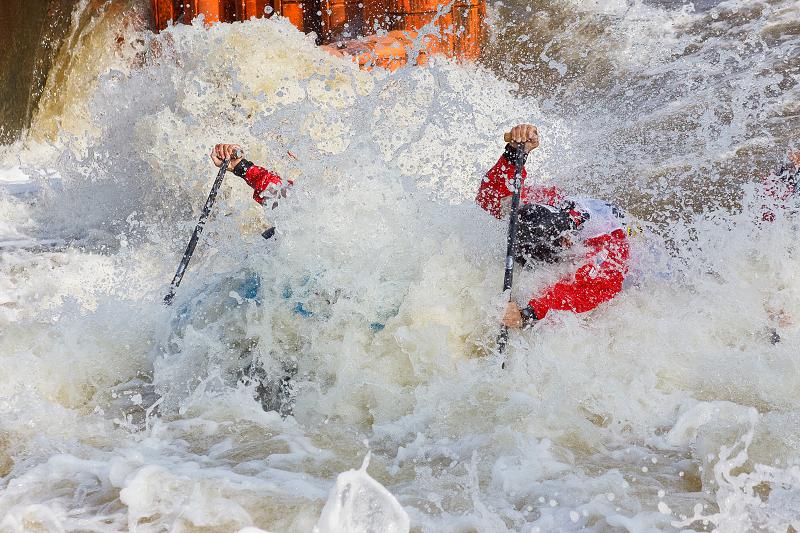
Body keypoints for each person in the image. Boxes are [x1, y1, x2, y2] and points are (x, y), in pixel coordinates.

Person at [477, 124, 633, 329]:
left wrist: (527, 315)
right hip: (581, 220)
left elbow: (588, 293)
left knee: (603, 315)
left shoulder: (608, 246)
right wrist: (514, 153)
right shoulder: (539, 201)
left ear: (565, 242)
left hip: (633, 245)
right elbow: (490, 198)